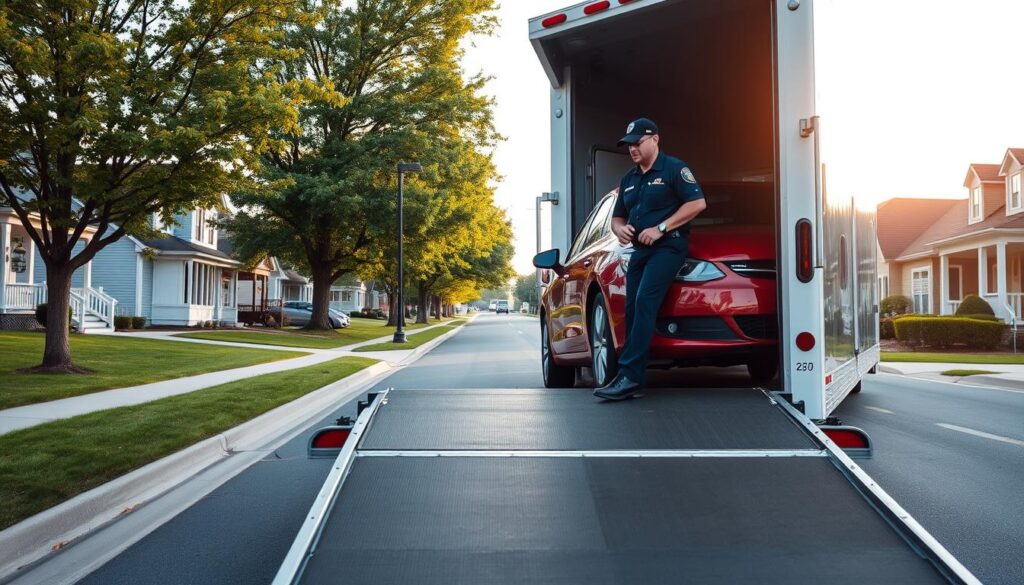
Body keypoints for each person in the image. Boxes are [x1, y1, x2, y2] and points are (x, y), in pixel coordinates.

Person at [595, 118, 707, 401]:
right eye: (629, 144)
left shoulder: (674, 168)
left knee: (645, 300)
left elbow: (697, 203)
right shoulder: (629, 180)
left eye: (637, 142)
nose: (632, 148)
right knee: (632, 308)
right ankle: (629, 376)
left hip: (669, 247)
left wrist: (660, 228)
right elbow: (617, 217)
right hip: (639, 252)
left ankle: (630, 376)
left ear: (654, 139)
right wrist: (620, 230)